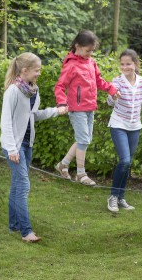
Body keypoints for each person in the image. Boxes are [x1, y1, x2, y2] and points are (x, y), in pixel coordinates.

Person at [0, 52, 68, 243]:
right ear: (24, 70)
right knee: (23, 186)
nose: (39, 73)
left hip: (27, 144)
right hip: (14, 146)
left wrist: (56, 111)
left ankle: (14, 224)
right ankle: (26, 231)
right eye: (37, 70)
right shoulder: (13, 91)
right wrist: (12, 149)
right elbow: (5, 122)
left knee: (17, 184)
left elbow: (33, 115)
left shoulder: (32, 90)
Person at [54, 30, 120, 186]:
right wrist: (62, 103)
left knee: (84, 139)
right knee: (83, 139)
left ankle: (62, 165)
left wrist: (112, 89)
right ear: (78, 46)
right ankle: (81, 174)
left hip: (90, 107)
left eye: (92, 51)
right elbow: (59, 86)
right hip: (76, 109)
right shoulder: (71, 65)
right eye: (87, 50)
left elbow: (99, 81)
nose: (90, 54)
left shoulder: (91, 62)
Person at [106, 49, 142, 212]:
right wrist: (113, 97)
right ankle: (113, 196)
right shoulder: (117, 81)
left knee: (127, 165)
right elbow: (109, 102)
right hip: (118, 124)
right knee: (125, 161)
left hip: (135, 127)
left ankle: (121, 198)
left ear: (135, 64)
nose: (125, 67)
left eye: (128, 64)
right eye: (122, 64)